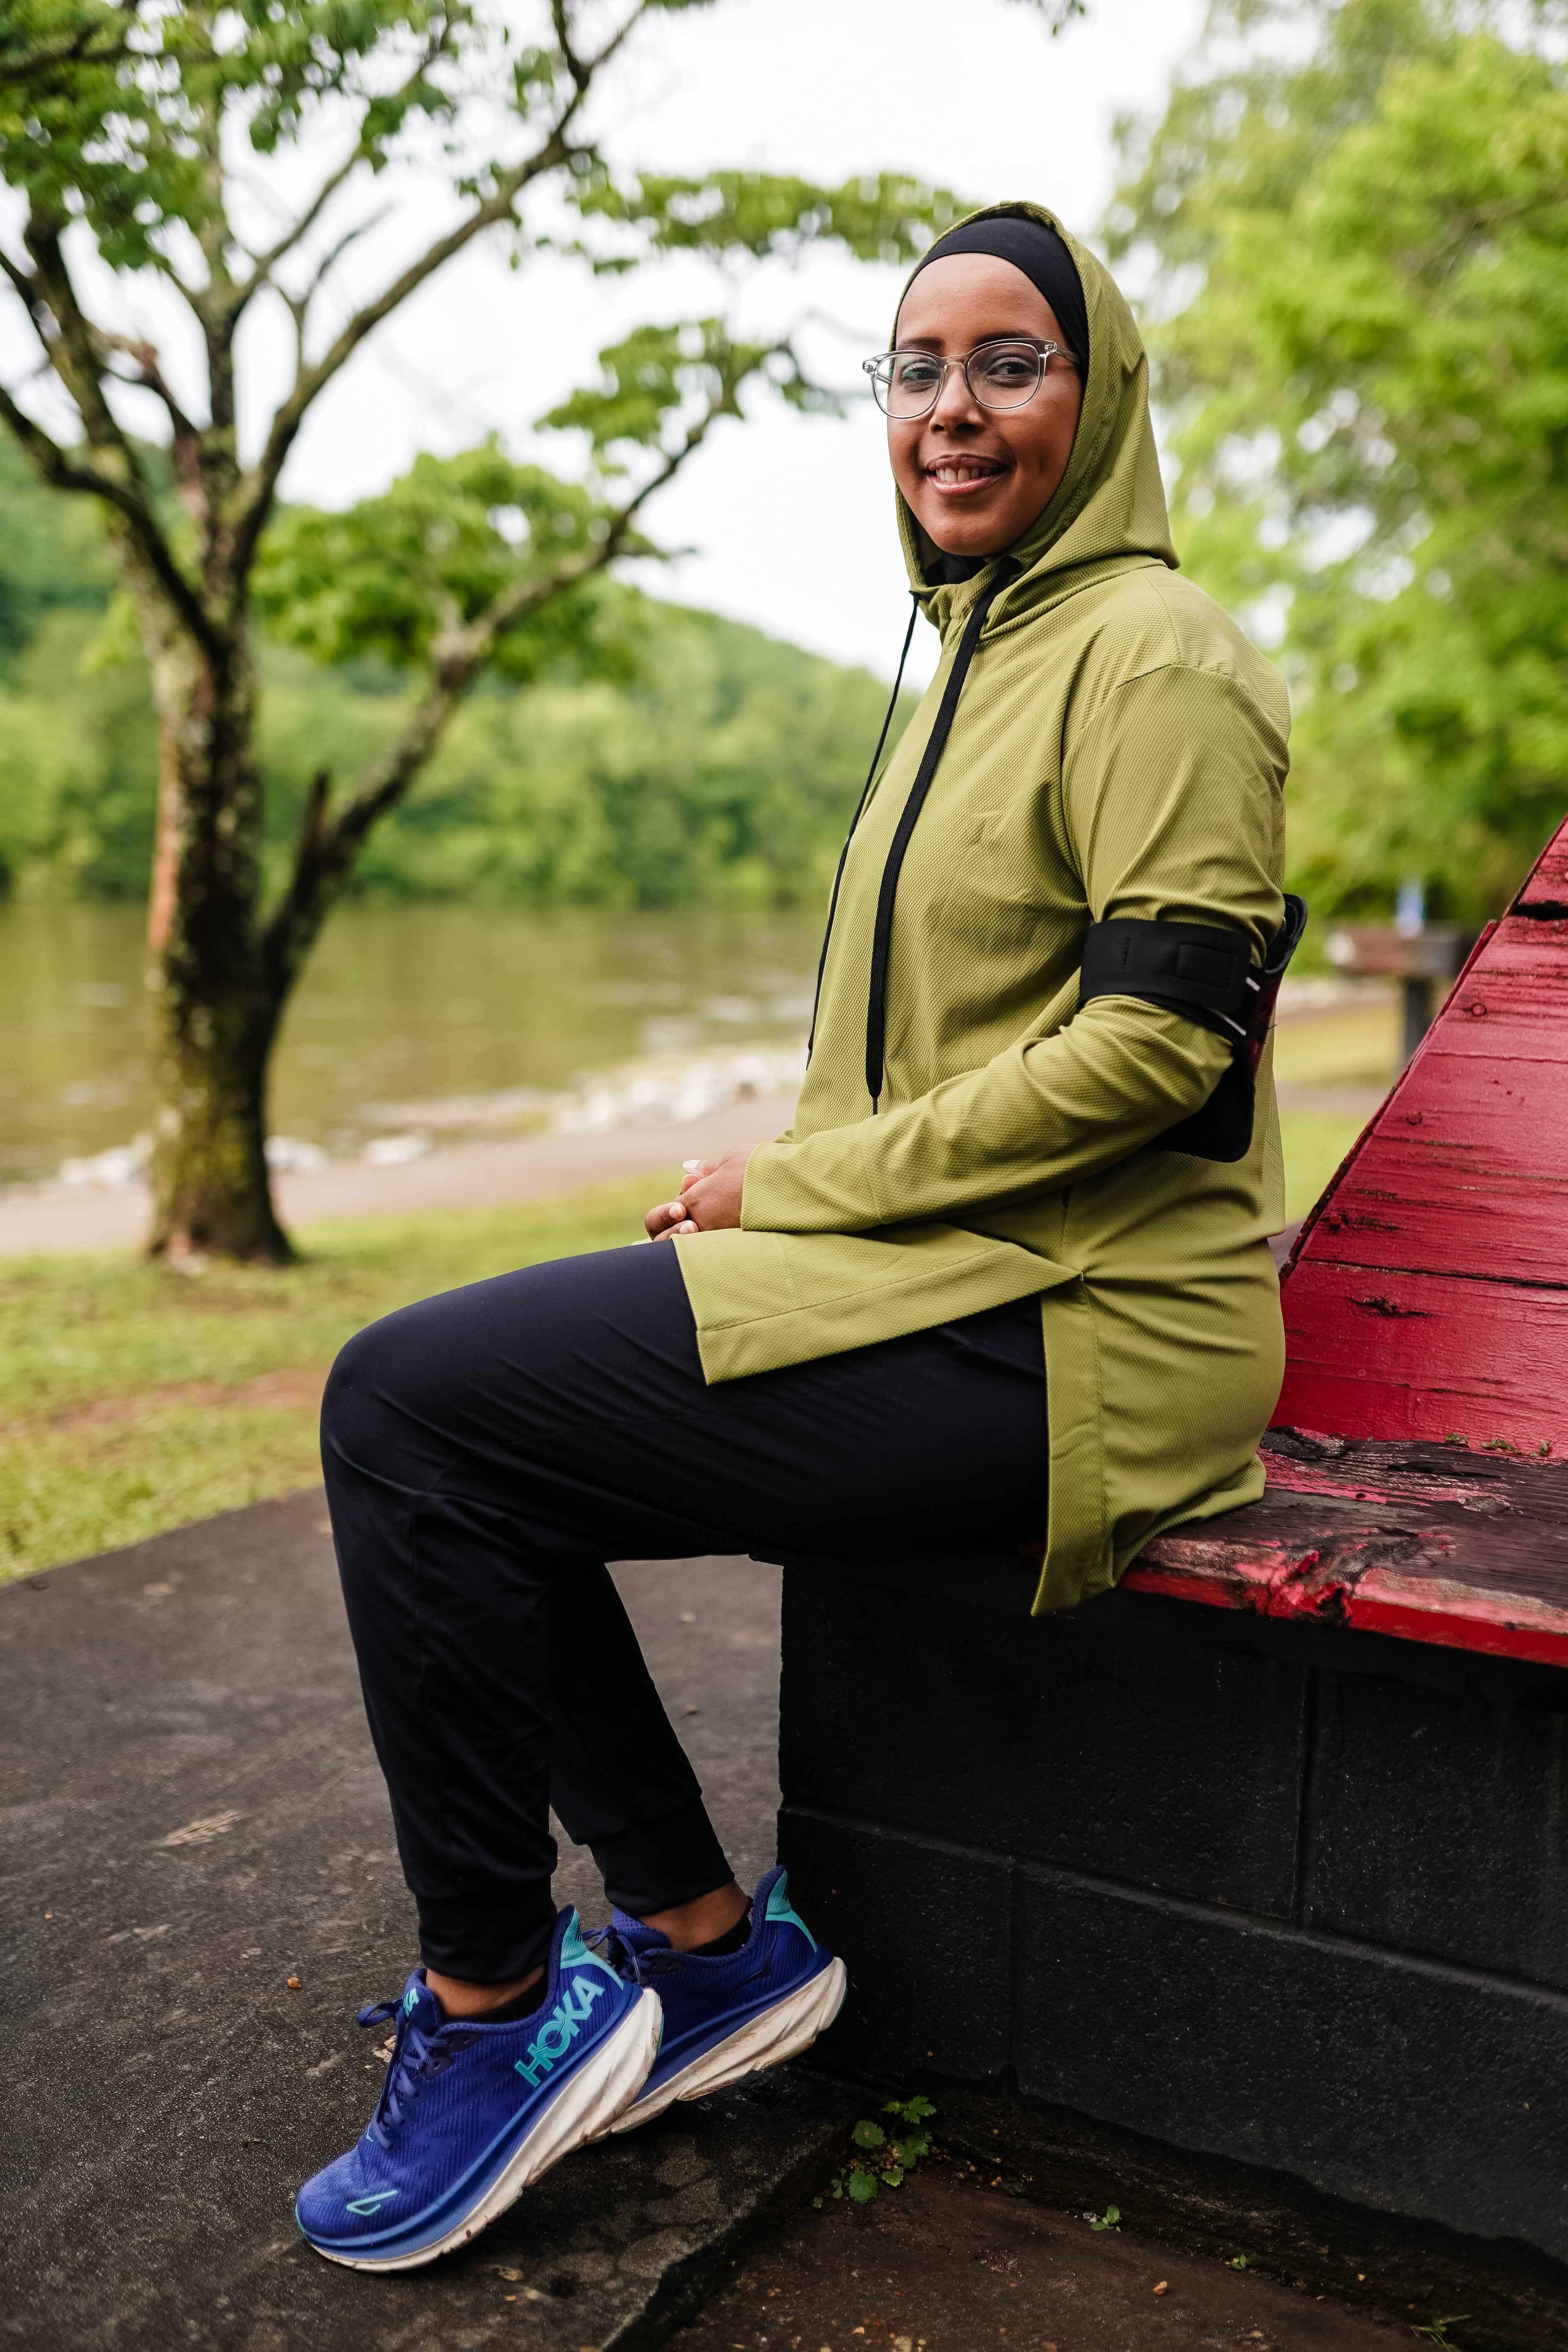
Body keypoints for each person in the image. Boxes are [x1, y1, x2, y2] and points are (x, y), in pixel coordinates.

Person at [294, 200, 1290, 2272]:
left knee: (412, 1407)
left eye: (1008, 362)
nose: (951, 408)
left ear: (1097, 396)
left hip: (1091, 1331)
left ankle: (494, 2017)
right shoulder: (964, 659)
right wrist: (771, 1179)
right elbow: (955, 1055)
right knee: (478, 1417)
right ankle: (708, 1952)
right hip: (949, 1273)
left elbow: (1161, 1060)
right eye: (915, 369)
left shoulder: (1160, 657)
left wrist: (796, 1197)